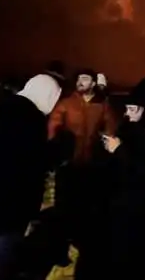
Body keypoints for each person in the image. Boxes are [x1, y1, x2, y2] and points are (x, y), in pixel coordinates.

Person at [0, 73, 62, 280]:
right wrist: (55, 151)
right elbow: (32, 158)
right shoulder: (31, 118)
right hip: (14, 196)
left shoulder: (2, 109)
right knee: (1, 253)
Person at [74, 88, 145, 280]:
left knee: (139, 245)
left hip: (141, 201)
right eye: (127, 108)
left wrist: (119, 150)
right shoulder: (126, 126)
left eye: (133, 108)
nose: (128, 113)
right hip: (121, 199)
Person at [47, 69, 116, 266]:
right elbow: (52, 127)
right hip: (68, 166)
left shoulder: (101, 105)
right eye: (78, 79)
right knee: (63, 209)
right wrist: (57, 154)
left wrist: (106, 153)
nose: (80, 82)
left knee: (87, 208)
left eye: (84, 79)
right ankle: (59, 250)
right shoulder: (66, 103)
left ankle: (83, 244)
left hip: (91, 167)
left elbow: (111, 128)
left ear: (93, 83)